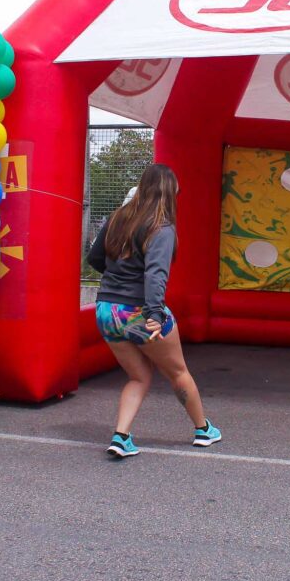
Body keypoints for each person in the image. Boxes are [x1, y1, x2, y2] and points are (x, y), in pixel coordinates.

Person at [86, 164, 221, 458]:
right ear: (169, 192)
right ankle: (203, 430)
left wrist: (118, 279)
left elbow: (94, 258)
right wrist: (155, 314)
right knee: (178, 371)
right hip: (139, 310)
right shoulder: (162, 227)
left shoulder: (118, 218)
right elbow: (156, 274)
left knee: (138, 377)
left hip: (107, 310)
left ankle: (121, 436)